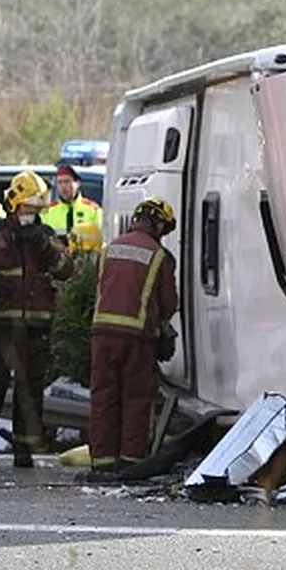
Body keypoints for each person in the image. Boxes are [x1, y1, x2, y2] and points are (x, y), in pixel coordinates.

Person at [0, 171, 73, 469]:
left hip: (36, 327)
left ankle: (24, 448)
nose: (31, 214)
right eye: (27, 207)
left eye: (36, 209)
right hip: (0, 325)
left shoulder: (46, 235)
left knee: (31, 388)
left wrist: (47, 247)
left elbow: (66, 270)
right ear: (14, 204)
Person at [86, 196, 178, 477]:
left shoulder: (109, 249)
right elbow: (168, 303)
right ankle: (131, 462)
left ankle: (101, 462)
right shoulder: (159, 256)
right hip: (137, 338)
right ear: (158, 223)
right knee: (136, 399)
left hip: (102, 335)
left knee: (103, 398)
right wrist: (162, 329)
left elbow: (100, 286)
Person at [41, 164, 101, 247]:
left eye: (67, 182)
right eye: (59, 182)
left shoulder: (93, 210)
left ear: (78, 183)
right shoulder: (47, 212)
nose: (63, 187)